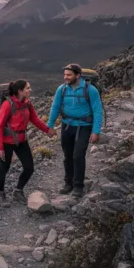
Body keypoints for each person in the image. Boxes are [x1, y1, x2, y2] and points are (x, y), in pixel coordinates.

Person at [47, 63, 103, 198]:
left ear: (77, 75)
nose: (65, 77)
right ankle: (68, 183)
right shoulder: (62, 89)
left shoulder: (90, 90)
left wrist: (96, 131)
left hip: (84, 127)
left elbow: (97, 110)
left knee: (78, 155)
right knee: (67, 155)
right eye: (65, 75)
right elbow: (55, 107)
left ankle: (78, 186)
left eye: (69, 75)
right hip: (67, 126)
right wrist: (50, 126)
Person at [0, 80, 53, 204]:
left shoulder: (27, 103)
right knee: (4, 168)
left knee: (29, 167)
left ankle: (18, 191)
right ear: (20, 91)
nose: (30, 90)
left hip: (21, 140)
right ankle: (0, 194)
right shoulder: (7, 105)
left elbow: (35, 119)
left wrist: (47, 130)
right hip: (6, 142)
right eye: (28, 88)